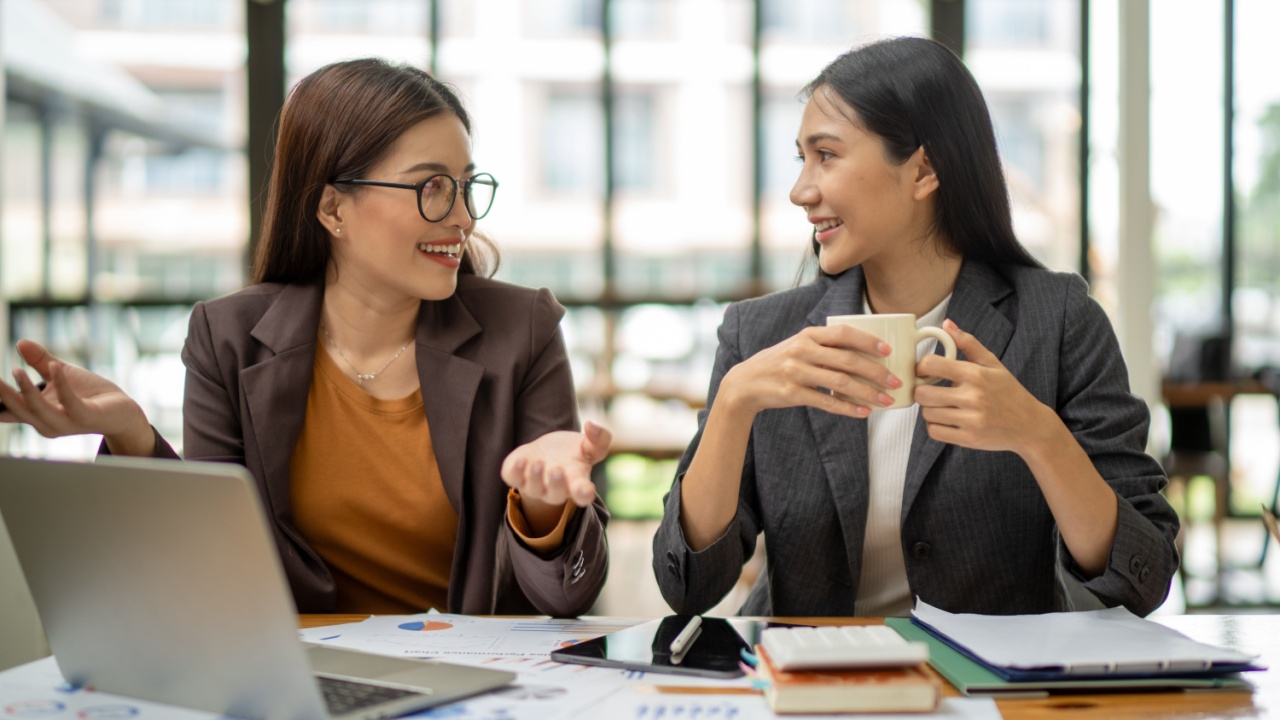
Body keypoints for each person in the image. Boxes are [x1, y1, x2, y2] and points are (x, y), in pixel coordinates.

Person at [0, 58, 610, 618]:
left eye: (465, 185)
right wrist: (132, 435)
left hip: (484, 682)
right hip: (304, 681)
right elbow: (212, 577)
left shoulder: (520, 331)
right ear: (332, 210)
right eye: (431, 188)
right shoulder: (228, 339)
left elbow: (570, 597)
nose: (463, 218)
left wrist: (545, 509)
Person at [652, 37, 1179, 618]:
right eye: (801, 160)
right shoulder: (759, 336)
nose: (801, 191)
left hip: (986, 696)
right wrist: (734, 405)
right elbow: (689, 588)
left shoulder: (1058, 321)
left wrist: (1040, 436)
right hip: (807, 692)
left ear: (924, 170)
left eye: (826, 155)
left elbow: (1143, 578)